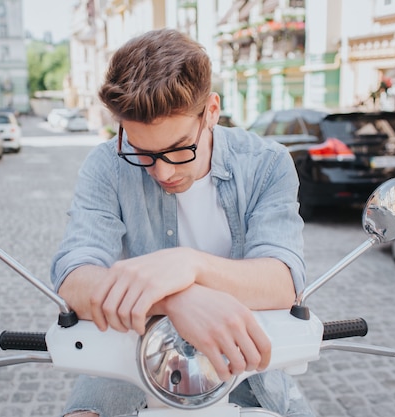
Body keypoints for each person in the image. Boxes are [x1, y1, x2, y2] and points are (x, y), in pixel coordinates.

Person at [50, 28, 314, 417]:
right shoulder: (106, 164)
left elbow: (283, 280)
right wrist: (176, 298)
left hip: (246, 367)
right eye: (141, 150)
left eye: (177, 150)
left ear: (211, 111)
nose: (160, 170)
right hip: (128, 363)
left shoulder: (267, 162)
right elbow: (74, 276)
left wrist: (188, 264)